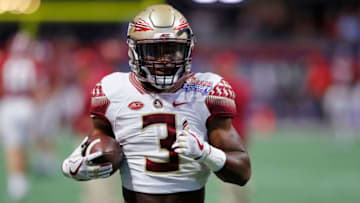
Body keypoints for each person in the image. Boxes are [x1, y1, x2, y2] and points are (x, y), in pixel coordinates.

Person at [61, 4, 251, 203]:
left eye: (172, 50)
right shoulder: (112, 90)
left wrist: (205, 153)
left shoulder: (207, 90)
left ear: (187, 49)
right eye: (153, 51)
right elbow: (98, 139)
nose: (164, 60)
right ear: (134, 51)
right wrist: (78, 160)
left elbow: (242, 172)